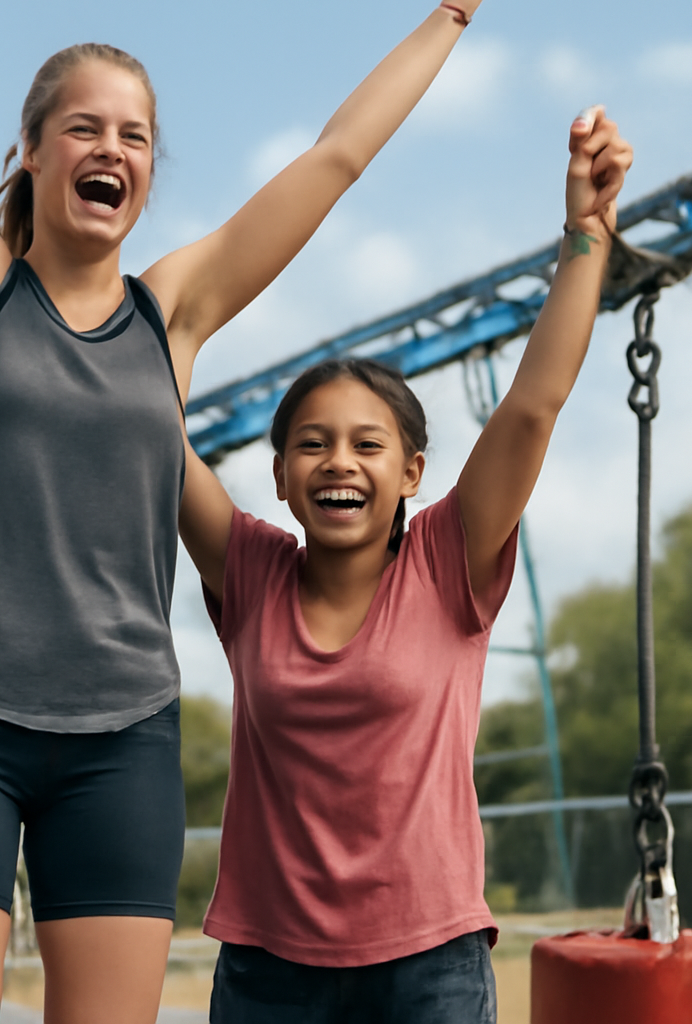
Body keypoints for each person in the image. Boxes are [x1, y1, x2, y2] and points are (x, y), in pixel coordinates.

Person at [0, 2, 487, 1022]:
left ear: (148, 170)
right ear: (33, 149)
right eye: (85, 129)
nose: (111, 149)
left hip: (121, 744)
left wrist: (449, 16)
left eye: (134, 135)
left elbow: (337, 158)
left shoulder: (171, 311)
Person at [178, 109, 632, 1023]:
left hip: (428, 966)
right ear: (279, 476)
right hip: (266, 970)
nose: (338, 461)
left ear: (410, 473)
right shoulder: (251, 570)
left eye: (366, 444)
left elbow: (535, 405)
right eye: (311, 445)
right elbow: (143, 420)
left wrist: (586, 234)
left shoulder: (446, 562)